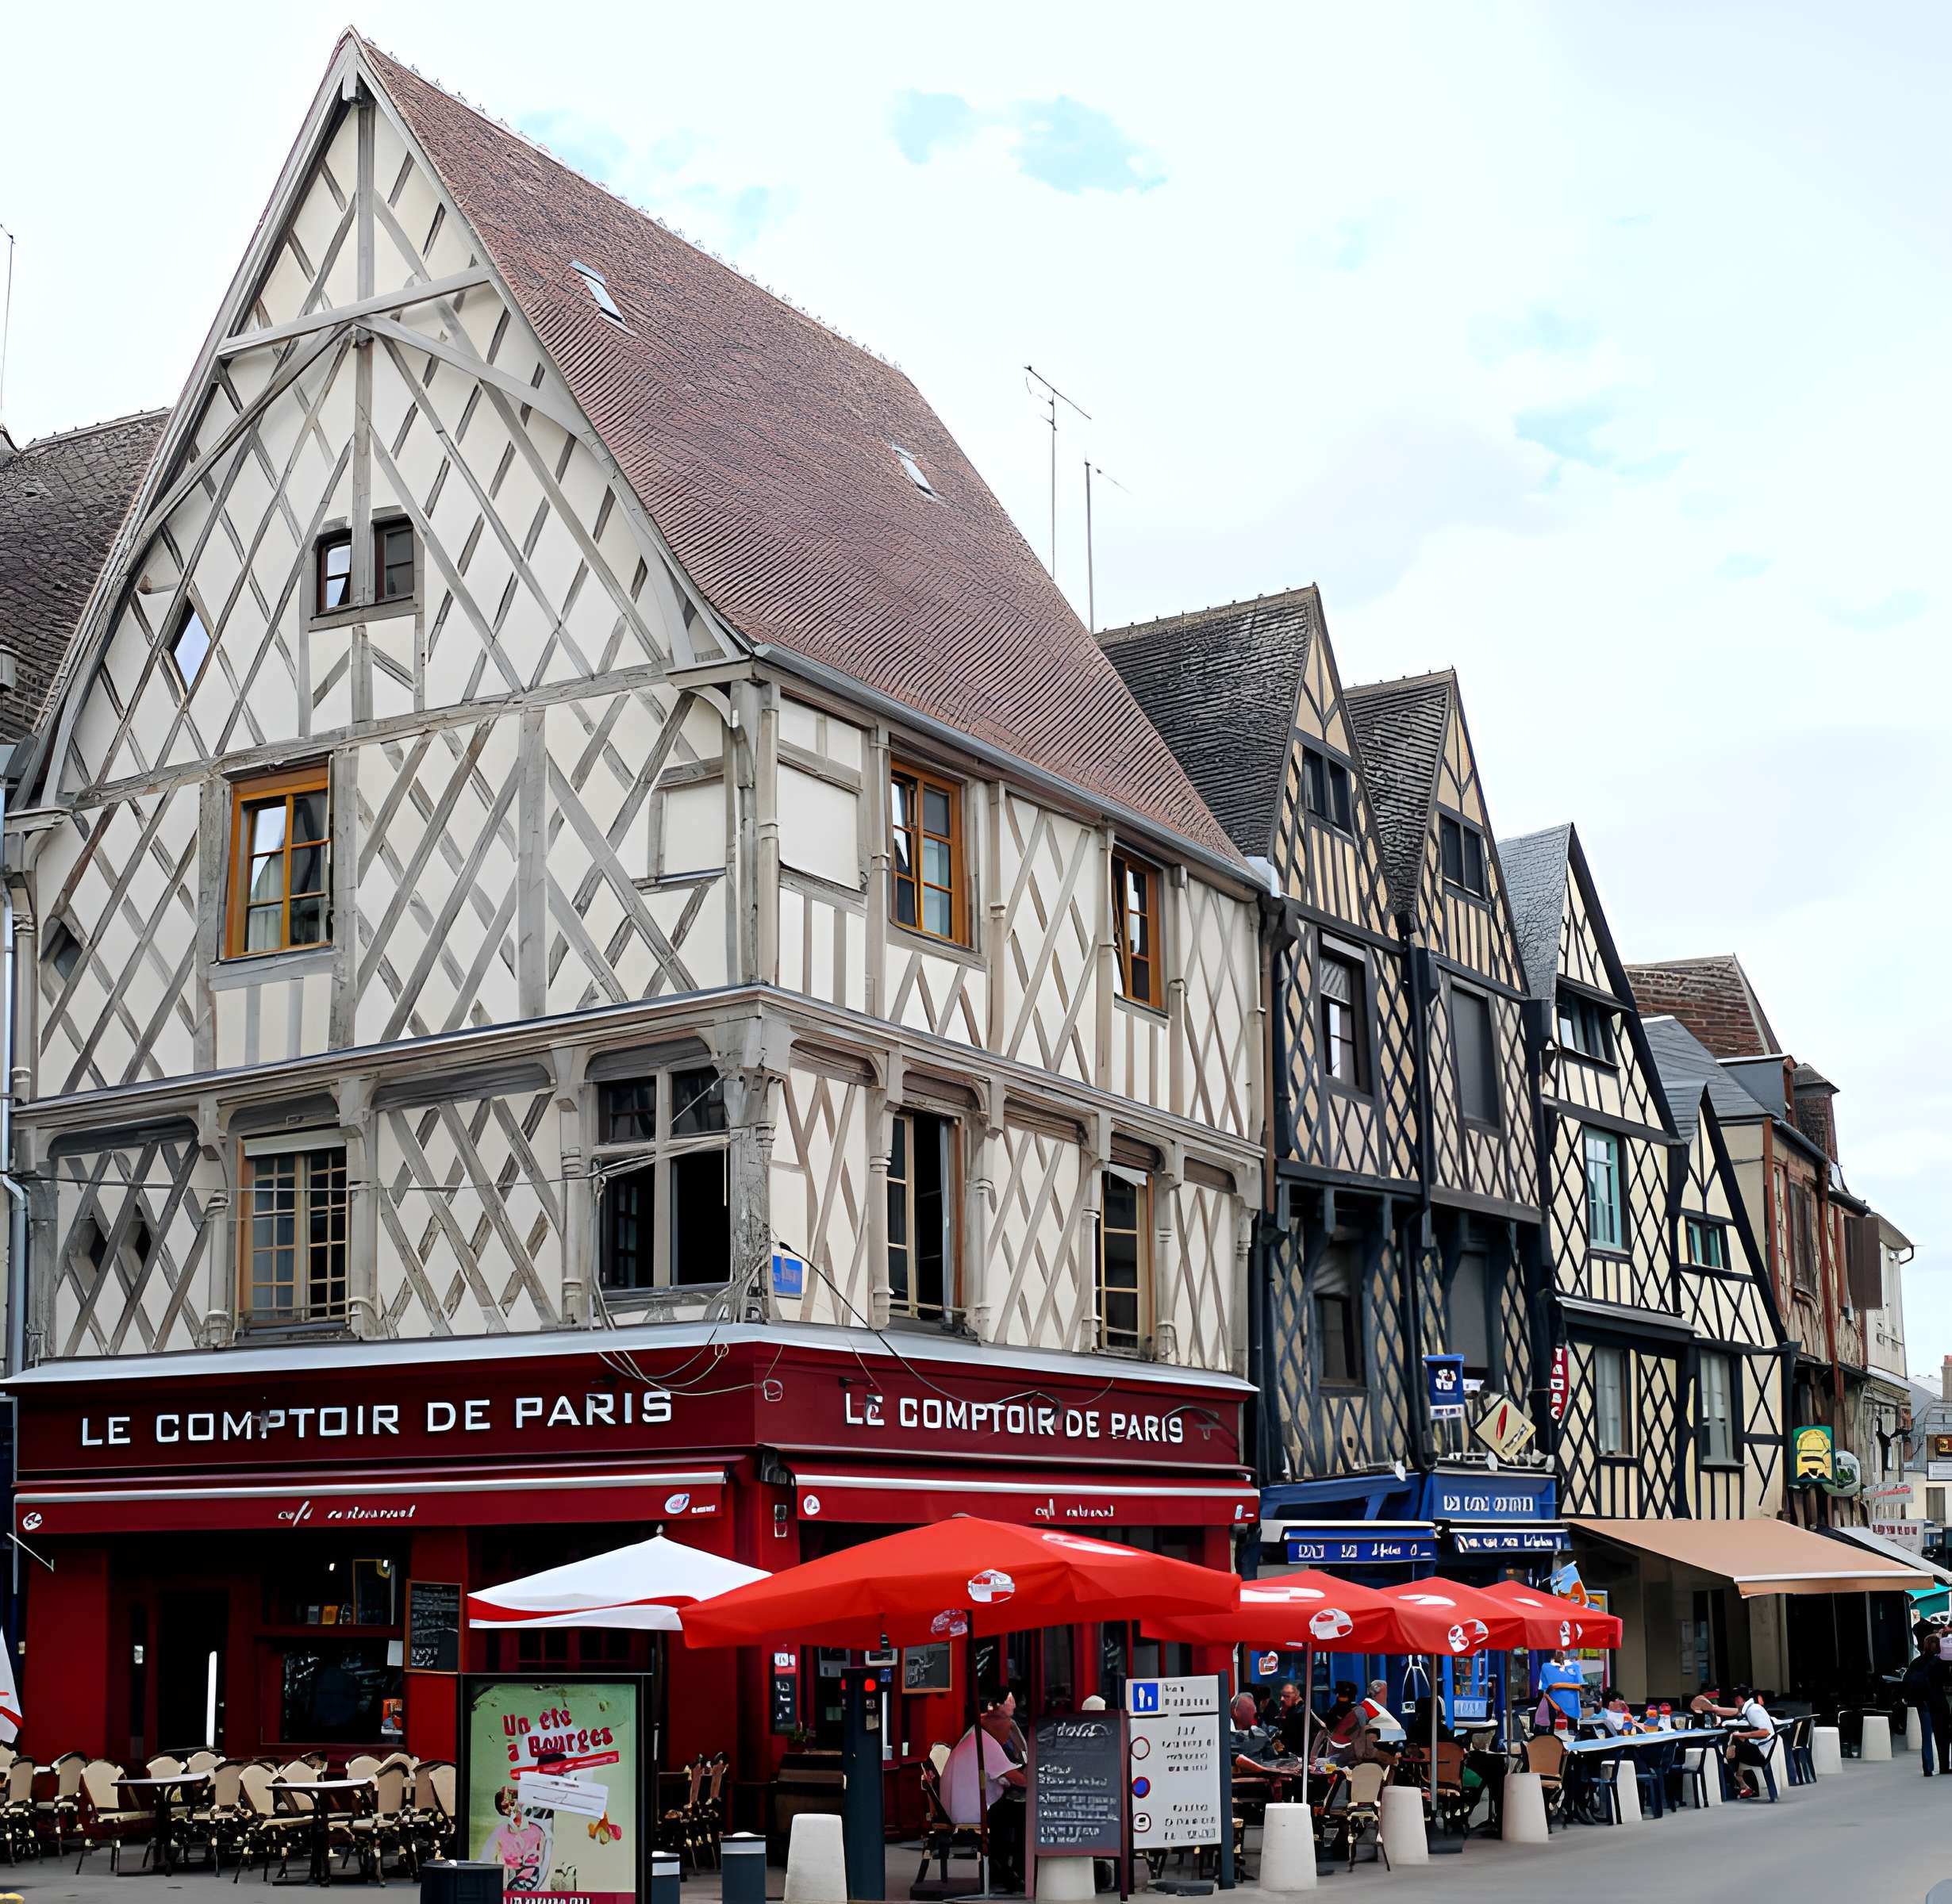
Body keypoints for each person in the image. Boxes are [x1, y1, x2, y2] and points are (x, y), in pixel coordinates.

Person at [944, 1695, 1028, 1887]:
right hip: (969, 1815)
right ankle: (1019, 1871)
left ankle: (1003, 1869)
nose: (1008, 1737)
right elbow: (1020, 1780)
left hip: (957, 1809)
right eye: (1008, 1731)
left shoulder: (974, 1736)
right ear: (996, 1726)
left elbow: (996, 1774)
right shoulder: (985, 1743)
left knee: (1009, 1812)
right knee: (1022, 1815)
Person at [1905, 1631, 1952, 1777]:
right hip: (1938, 1701)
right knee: (1942, 1734)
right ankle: (1944, 1765)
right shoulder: (1941, 1662)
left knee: (1926, 1735)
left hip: (1922, 1702)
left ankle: (1928, 1767)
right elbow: (1947, 1681)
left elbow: (1906, 1680)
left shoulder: (1916, 1662)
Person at [1535, 1649, 1584, 1730]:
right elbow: (1543, 1689)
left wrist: (1556, 1686)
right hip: (1553, 1707)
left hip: (1570, 1708)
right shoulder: (1546, 1667)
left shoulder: (1575, 1666)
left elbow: (1580, 1686)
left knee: (1572, 1731)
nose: (1561, 1653)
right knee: (1551, 1730)